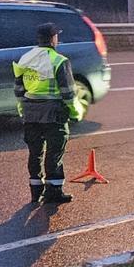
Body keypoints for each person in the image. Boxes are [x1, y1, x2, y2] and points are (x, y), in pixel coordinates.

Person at [13, 22, 82, 208]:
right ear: (53, 39)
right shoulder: (59, 61)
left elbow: (19, 90)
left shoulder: (25, 59)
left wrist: (23, 110)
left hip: (30, 114)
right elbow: (68, 92)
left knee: (34, 153)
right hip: (54, 114)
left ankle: (35, 192)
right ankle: (54, 192)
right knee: (54, 153)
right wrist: (76, 113)